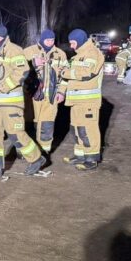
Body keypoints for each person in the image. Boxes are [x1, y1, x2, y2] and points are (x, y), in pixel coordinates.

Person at [0, 24, 45, 177]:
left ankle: (36, 159)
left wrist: (3, 87)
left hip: (11, 103)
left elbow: (22, 71)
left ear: (0, 37)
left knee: (15, 134)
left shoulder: (14, 50)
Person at [57, 28, 105, 171]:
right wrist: (61, 92)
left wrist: (65, 71)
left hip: (88, 102)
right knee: (76, 129)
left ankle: (91, 159)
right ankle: (80, 155)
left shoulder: (93, 53)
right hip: (76, 102)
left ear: (80, 41)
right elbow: (67, 78)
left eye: (73, 43)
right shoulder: (76, 57)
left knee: (88, 129)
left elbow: (88, 73)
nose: (71, 46)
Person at [23, 29, 68, 153]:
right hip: (31, 97)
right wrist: (32, 63)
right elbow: (16, 67)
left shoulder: (60, 54)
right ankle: (26, 151)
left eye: (52, 40)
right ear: (42, 40)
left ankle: (44, 151)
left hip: (51, 97)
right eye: (48, 40)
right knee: (29, 123)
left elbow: (66, 75)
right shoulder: (29, 51)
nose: (50, 42)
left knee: (47, 125)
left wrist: (62, 92)